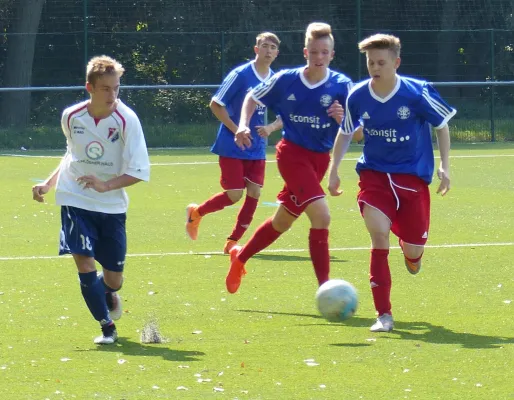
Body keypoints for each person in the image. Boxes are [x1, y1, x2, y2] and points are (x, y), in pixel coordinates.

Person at [328, 33, 456, 332]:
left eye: (381, 62)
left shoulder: (417, 92)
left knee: (412, 250)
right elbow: (346, 132)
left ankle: (413, 254)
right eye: (371, 62)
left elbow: (442, 126)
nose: (375, 67)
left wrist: (445, 166)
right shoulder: (357, 95)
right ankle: (383, 315)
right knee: (379, 237)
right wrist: (334, 169)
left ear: (396, 62)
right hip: (374, 177)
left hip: (412, 180)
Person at [225, 22, 354, 294]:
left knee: (282, 221)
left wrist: (343, 119)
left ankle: (240, 257)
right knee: (322, 216)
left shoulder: (343, 86)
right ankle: (325, 288)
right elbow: (252, 96)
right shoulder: (287, 79)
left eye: (325, 52)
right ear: (305, 52)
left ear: (332, 54)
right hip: (292, 155)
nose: (319, 58)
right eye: (314, 52)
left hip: (319, 160)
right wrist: (244, 124)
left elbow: (359, 133)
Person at [31, 55, 150, 344]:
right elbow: (72, 154)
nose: (113, 95)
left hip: (112, 206)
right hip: (75, 199)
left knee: (114, 279)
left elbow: (139, 172)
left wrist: (106, 185)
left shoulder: (127, 120)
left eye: (116, 88)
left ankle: (107, 293)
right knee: (84, 264)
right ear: (90, 88)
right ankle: (107, 327)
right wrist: (49, 183)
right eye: (106, 89)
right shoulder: (71, 117)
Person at [185, 32, 282, 254]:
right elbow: (215, 104)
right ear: (256, 49)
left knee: (255, 193)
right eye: (264, 46)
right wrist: (237, 128)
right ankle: (196, 213)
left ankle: (232, 242)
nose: (268, 50)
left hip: (256, 146)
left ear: (277, 53)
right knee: (234, 194)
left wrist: (271, 128)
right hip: (232, 144)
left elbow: (286, 112)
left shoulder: (275, 80)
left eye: (273, 48)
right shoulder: (241, 75)